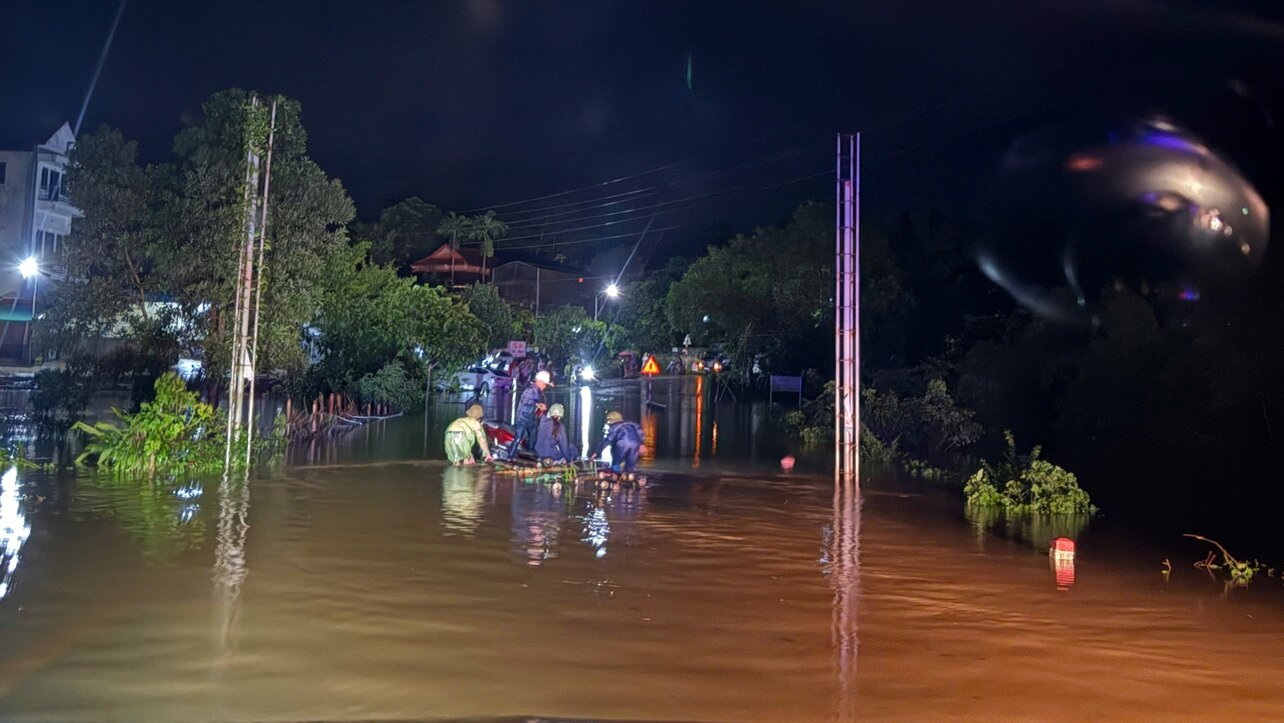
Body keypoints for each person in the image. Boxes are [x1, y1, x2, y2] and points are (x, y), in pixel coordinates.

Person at [507, 369, 553, 460]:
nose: (544, 386)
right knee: (518, 437)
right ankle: (510, 457)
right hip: (523, 417)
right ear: (538, 381)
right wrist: (538, 404)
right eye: (544, 384)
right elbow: (526, 402)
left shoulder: (538, 390)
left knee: (533, 434)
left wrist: (539, 406)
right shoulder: (530, 390)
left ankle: (530, 453)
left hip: (530, 417)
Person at [590, 410, 643, 476]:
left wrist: (596, 452)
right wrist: (642, 444)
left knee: (616, 462)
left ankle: (616, 476)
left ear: (611, 421)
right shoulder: (630, 425)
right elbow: (639, 432)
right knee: (630, 464)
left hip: (622, 445)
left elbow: (607, 440)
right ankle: (629, 477)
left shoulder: (614, 427)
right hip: (635, 444)